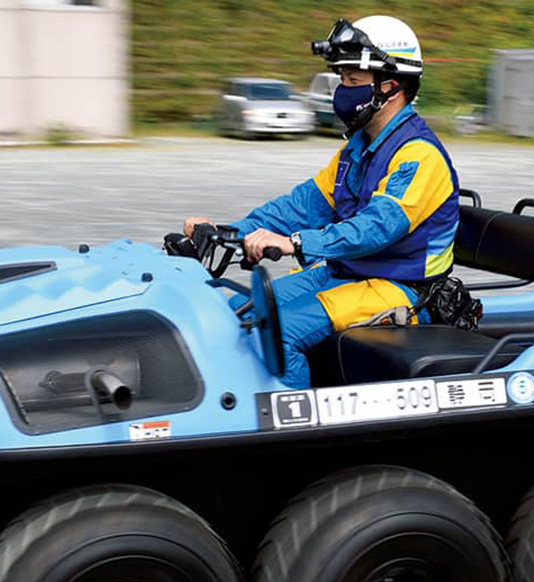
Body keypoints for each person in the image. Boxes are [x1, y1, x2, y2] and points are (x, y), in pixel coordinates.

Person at [183, 15, 460, 389]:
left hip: (400, 286)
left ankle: (291, 433)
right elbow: (303, 206)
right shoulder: (357, 148)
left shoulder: (419, 156)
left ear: (391, 86)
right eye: (341, 80)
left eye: (353, 81)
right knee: (238, 311)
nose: (342, 91)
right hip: (350, 272)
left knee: (279, 334)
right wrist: (232, 232)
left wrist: (295, 243)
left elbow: (375, 229)